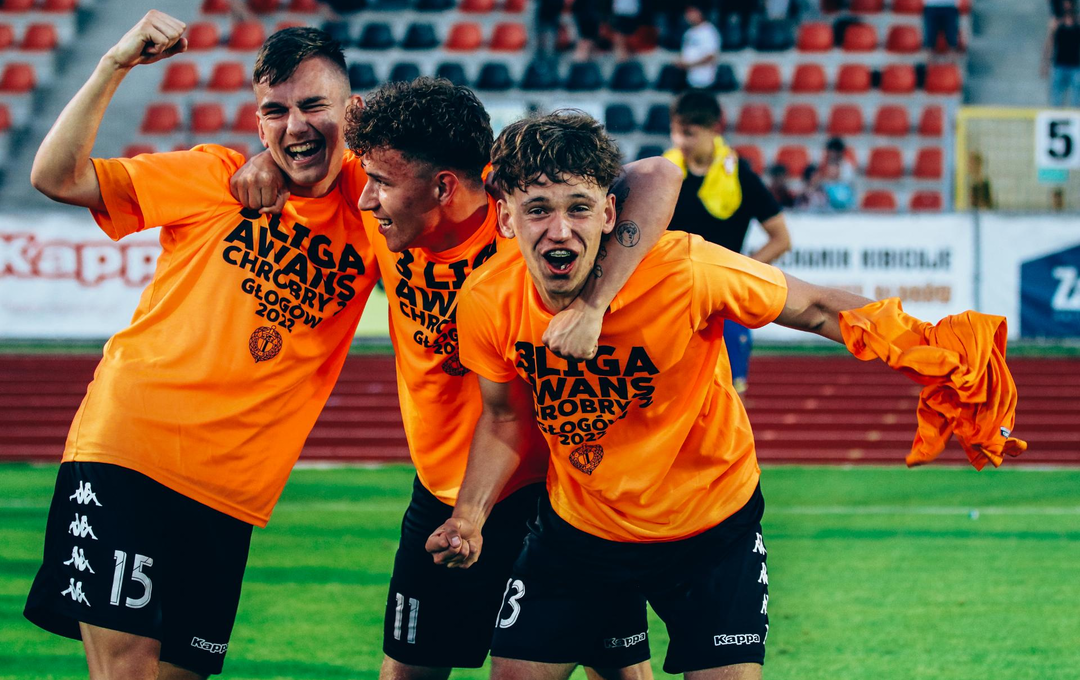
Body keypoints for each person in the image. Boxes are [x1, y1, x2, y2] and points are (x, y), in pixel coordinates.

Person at [425, 111, 1025, 680]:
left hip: (710, 528)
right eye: (537, 210)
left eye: (579, 207)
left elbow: (816, 307)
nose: (560, 230)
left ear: (609, 213)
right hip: (581, 531)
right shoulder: (486, 300)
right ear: (506, 219)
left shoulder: (684, 270)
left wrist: (932, 350)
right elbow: (504, 418)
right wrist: (469, 517)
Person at [231, 79, 680, 680]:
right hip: (444, 491)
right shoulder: (388, 192)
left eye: (380, 184)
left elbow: (657, 175)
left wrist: (595, 301)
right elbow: (305, 152)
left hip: (554, 494)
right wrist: (266, 160)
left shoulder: (522, 209)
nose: (365, 199)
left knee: (616, 671)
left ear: (444, 186)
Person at [24, 15, 381, 679]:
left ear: (351, 112)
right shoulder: (213, 175)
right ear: (257, 122)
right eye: (275, 112)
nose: (295, 126)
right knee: (127, 670)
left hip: (230, 488)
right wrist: (113, 65)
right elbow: (56, 176)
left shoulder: (374, 207)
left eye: (313, 106)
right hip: (132, 448)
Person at [665, 89, 790, 396]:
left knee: (730, 396)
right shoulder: (662, 174)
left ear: (713, 129)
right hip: (673, 298)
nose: (680, 141)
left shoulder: (740, 176)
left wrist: (739, 273)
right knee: (668, 397)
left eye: (689, 133)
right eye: (676, 132)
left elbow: (781, 239)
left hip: (724, 303)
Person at [1043, 0, 1080, 107]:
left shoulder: (1077, 23)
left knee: (1076, 100)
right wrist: (1045, 64)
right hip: (1059, 65)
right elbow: (1049, 44)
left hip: (1075, 66)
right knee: (1056, 100)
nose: (1067, 5)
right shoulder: (1056, 24)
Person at [678, 4, 721, 89]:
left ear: (700, 13)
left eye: (691, 12)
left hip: (705, 80)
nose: (688, 16)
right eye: (687, 13)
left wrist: (690, 65)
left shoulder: (709, 31)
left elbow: (710, 57)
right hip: (689, 79)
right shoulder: (688, 33)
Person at [817, 136, 856, 211]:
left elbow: (846, 186)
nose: (830, 154)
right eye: (829, 151)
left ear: (839, 152)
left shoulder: (847, 167)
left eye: (833, 152)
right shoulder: (824, 165)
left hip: (843, 199)